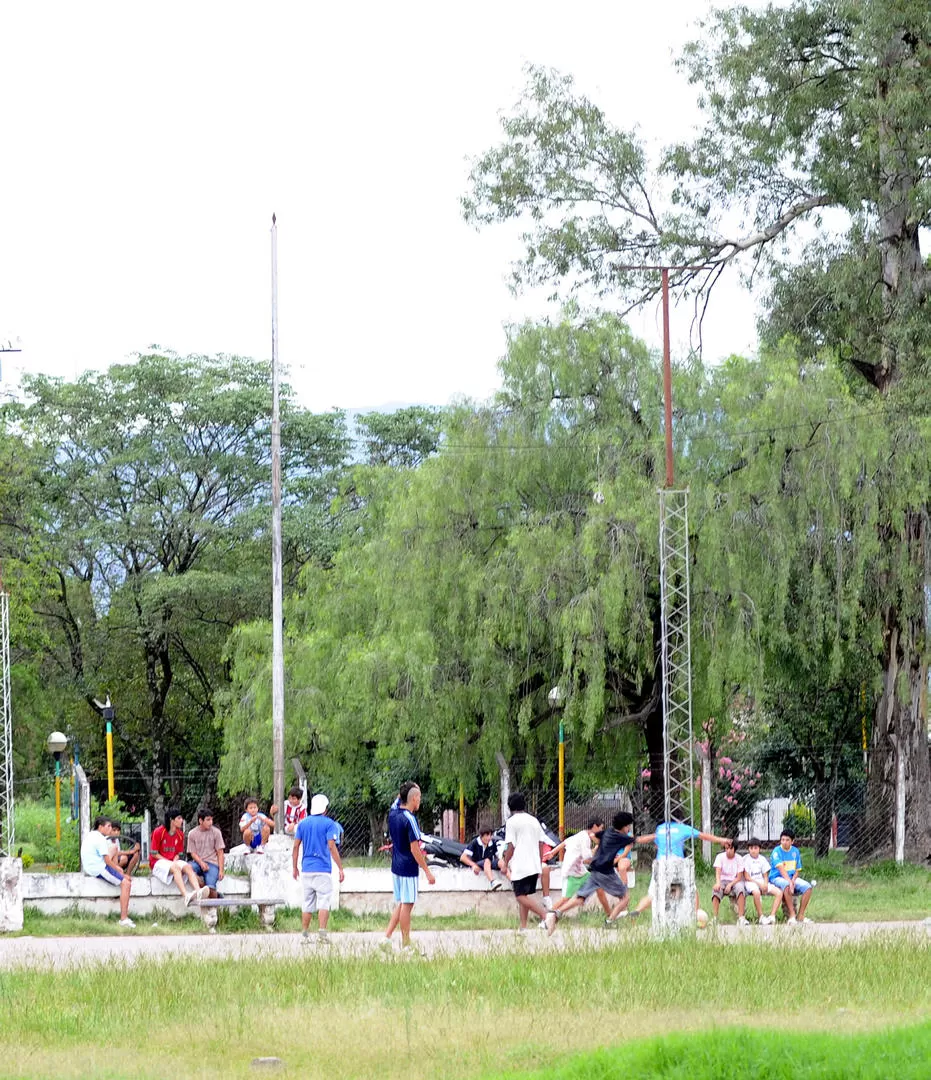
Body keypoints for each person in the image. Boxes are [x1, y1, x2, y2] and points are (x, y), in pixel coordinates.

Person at [629, 819, 731, 918]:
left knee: (652, 894)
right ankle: (694, 914)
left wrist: (634, 839)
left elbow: (652, 839)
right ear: (678, 819)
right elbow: (703, 836)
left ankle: (637, 911)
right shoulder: (682, 828)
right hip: (677, 864)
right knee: (692, 890)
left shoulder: (660, 828)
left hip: (661, 864)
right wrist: (722, 840)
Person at [556, 813, 636, 926]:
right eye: (628, 826)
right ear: (624, 826)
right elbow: (639, 840)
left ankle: (557, 912)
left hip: (594, 870)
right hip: (605, 871)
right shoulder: (622, 836)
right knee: (625, 897)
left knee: (581, 898)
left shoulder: (607, 832)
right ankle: (610, 921)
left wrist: (601, 845)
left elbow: (594, 836)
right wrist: (655, 836)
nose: (628, 829)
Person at [383, 782, 435, 950]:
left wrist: (409, 787)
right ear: (414, 798)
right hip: (408, 868)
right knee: (408, 905)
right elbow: (415, 848)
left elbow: (398, 799)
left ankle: (387, 937)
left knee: (401, 903)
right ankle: (406, 945)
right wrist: (427, 871)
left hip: (396, 865)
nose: (420, 800)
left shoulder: (393, 813)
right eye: (418, 797)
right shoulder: (410, 819)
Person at [498, 792, 558, 935]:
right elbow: (541, 842)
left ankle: (546, 916)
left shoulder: (512, 822)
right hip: (534, 863)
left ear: (509, 806)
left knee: (520, 896)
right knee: (524, 896)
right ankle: (523, 927)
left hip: (520, 864)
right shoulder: (533, 820)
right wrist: (538, 862)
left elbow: (510, 846)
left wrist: (505, 863)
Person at [292, 793, 345, 945]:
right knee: (323, 901)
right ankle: (322, 933)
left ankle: (305, 934)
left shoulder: (303, 824)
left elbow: (296, 846)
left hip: (306, 869)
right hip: (323, 869)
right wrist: (340, 867)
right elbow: (331, 845)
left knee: (307, 902)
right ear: (325, 809)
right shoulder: (329, 824)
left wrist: (295, 867)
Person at [549, 819, 612, 918]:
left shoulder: (582, 834)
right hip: (572, 873)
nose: (601, 831)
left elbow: (565, 842)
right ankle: (547, 918)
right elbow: (587, 859)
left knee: (599, 888)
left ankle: (610, 916)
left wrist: (553, 853)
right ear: (595, 826)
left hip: (580, 872)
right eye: (601, 828)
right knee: (565, 899)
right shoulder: (585, 838)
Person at [80, 815, 134, 928]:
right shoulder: (100, 839)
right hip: (98, 867)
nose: (110, 829)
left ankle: (121, 876)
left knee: (114, 848)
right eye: (108, 826)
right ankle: (124, 918)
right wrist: (118, 869)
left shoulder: (92, 835)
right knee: (126, 883)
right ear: (101, 827)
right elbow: (106, 860)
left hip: (91, 866)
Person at [149, 808, 209, 907]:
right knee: (176, 868)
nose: (182, 820)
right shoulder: (159, 832)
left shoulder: (180, 835)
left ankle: (198, 892)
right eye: (179, 818)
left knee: (188, 867)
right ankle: (186, 896)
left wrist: (174, 861)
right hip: (158, 861)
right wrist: (170, 862)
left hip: (172, 861)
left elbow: (179, 854)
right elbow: (154, 853)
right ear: (171, 820)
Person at [769, 829, 815, 924]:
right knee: (786, 885)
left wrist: (793, 879)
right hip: (777, 877)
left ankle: (800, 915)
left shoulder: (795, 851)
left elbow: (797, 869)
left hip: (791, 877)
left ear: (792, 841)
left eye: (787, 840)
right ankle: (792, 915)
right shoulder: (776, 851)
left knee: (808, 888)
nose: (784, 842)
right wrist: (790, 882)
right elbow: (781, 869)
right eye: (782, 840)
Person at [741, 838, 783, 924]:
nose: (753, 850)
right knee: (756, 892)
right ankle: (761, 916)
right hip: (751, 882)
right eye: (751, 848)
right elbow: (747, 877)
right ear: (748, 849)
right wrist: (760, 885)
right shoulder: (746, 859)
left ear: (759, 849)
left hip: (761, 881)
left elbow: (765, 875)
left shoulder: (762, 859)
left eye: (755, 848)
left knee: (779, 893)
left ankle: (772, 916)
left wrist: (765, 884)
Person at [187, 808, 226, 898]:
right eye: (208, 820)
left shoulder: (216, 832)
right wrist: (201, 862)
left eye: (212, 819)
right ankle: (215, 895)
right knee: (187, 869)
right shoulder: (192, 834)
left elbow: (220, 852)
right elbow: (192, 853)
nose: (211, 822)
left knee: (211, 886)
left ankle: (213, 900)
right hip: (197, 862)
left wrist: (221, 870)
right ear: (201, 820)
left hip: (212, 863)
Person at [711, 839, 747, 924]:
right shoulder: (720, 857)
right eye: (726, 849)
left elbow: (739, 877)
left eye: (730, 849)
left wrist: (730, 884)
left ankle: (741, 918)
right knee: (716, 890)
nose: (728, 851)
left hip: (734, 881)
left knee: (741, 888)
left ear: (735, 849)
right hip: (722, 880)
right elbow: (718, 872)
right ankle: (715, 918)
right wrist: (718, 883)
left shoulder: (739, 859)